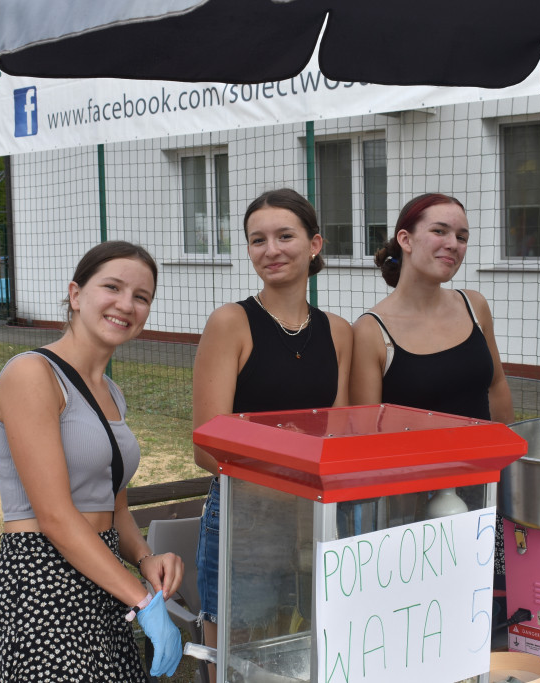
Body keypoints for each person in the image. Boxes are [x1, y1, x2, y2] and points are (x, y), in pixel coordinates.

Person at [0, 241, 183, 681]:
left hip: (100, 579)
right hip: (43, 584)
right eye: (113, 287)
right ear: (76, 294)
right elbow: (55, 517)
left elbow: (113, 505)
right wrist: (144, 602)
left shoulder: (111, 392)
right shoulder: (32, 374)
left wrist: (144, 557)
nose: (126, 304)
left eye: (141, 297)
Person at [191, 188, 353, 672]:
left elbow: (341, 435)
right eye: (257, 240)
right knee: (236, 661)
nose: (271, 250)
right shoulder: (231, 323)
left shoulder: (339, 332)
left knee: (308, 654)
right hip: (248, 519)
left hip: (316, 519)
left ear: (315, 244)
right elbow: (205, 446)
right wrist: (292, 449)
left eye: (285, 236)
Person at [350, 192, 513, 423]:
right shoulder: (370, 331)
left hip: (485, 459)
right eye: (439, 231)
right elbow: (365, 431)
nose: (453, 244)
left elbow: (497, 385)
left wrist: (509, 454)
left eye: (462, 237)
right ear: (405, 240)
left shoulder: (475, 306)